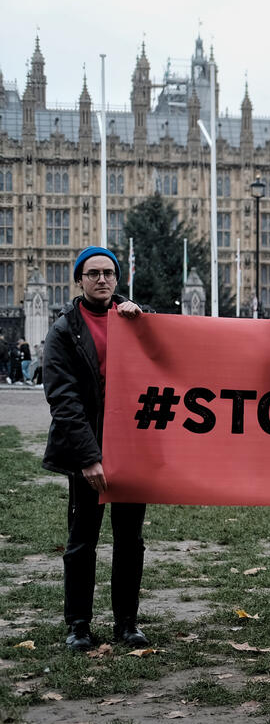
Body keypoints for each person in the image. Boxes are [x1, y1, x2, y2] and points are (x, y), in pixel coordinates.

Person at [42, 246, 148, 651]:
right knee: (83, 539)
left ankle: (126, 622)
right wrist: (89, 457)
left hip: (131, 449)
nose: (101, 279)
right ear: (79, 280)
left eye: (108, 273)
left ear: (117, 279)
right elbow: (63, 400)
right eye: (93, 273)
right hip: (86, 450)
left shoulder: (136, 319)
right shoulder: (65, 329)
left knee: (130, 539)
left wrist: (145, 321)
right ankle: (79, 625)